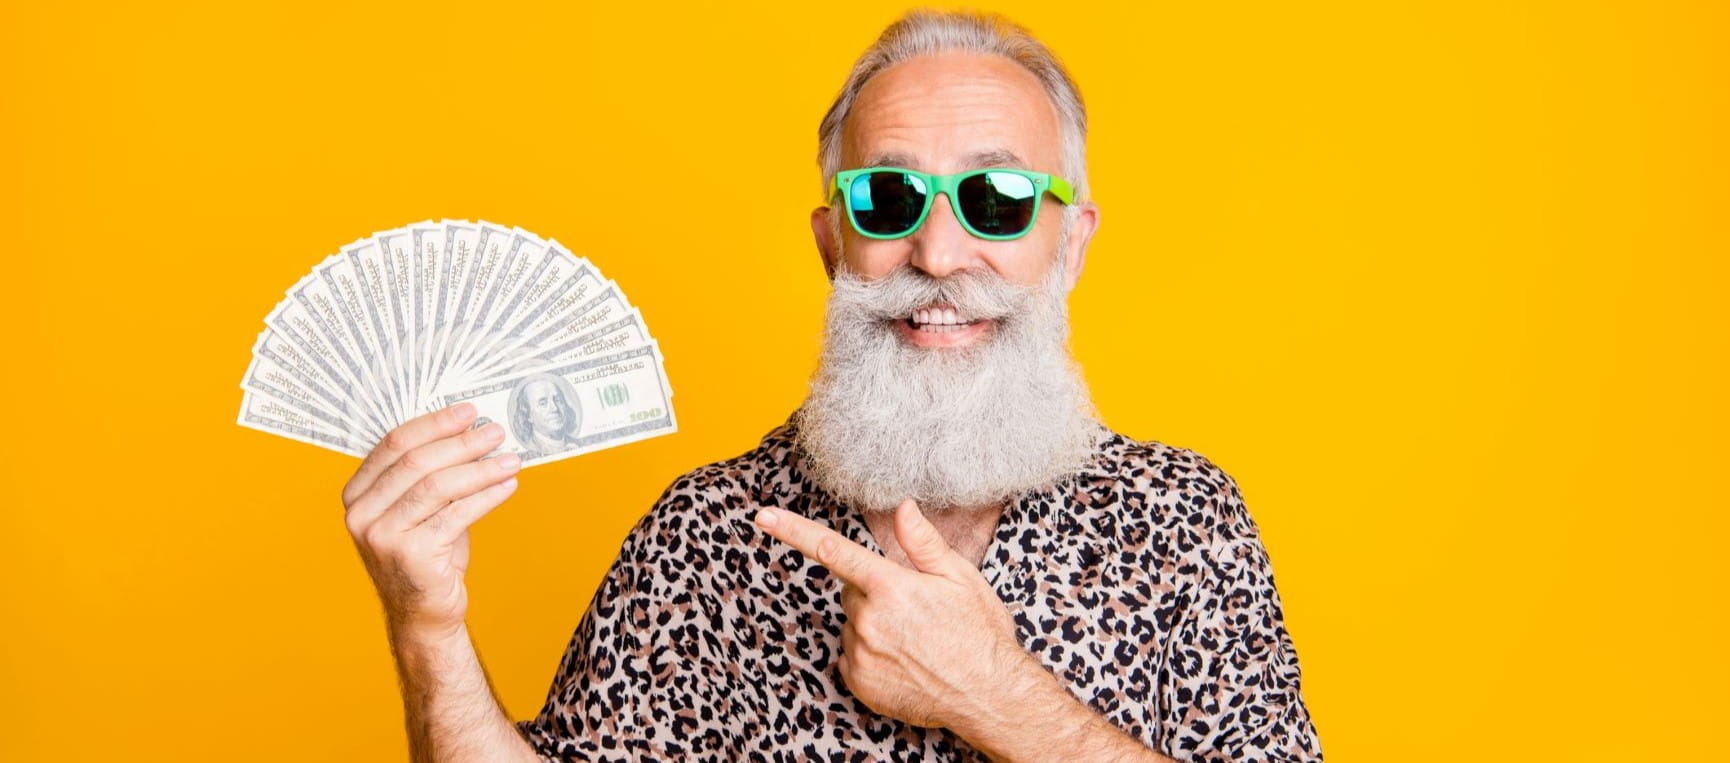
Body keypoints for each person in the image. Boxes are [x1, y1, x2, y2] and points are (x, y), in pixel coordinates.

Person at [341, 8, 1321, 762]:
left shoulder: (1181, 522)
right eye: (886, 197)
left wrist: (992, 693)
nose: (937, 253)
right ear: (832, 244)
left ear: (1067, 245)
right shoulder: (706, 535)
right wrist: (426, 626)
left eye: (998, 197)